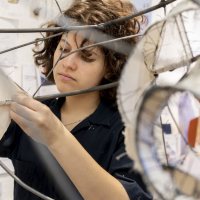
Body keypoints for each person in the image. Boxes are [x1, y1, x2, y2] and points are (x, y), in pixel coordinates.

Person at [0, 0, 152, 199]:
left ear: (110, 67)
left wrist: (56, 137)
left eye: (86, 56)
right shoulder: (34, 112)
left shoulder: (128, 129)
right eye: (64, 48)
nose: (68, 63)